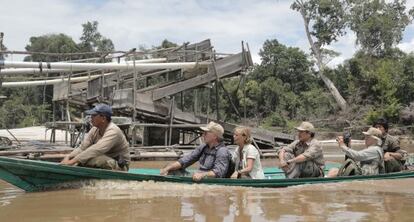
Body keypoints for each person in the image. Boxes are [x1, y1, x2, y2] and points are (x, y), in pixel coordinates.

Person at [60, 104, 130, 171]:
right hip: (105, 160)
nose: (91, 118)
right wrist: (68, 157)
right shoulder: (95, 129)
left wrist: (71, 162)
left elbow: (96, 149)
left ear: (103, 118)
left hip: (120, 166)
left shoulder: (113, 131)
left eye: (94, 115)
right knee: (84, 158)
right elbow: (82, 148)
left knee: (91, 158)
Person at [160, 121, 231, 181]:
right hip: (198, 176)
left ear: (215, 136)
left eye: (206, 133)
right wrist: (167, 168)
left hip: (208, 180)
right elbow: (186, 160)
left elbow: (218, 173)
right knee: (170, 168)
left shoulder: (222, 151)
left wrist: (202, 175)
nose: (203, 135)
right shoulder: (203, 147)